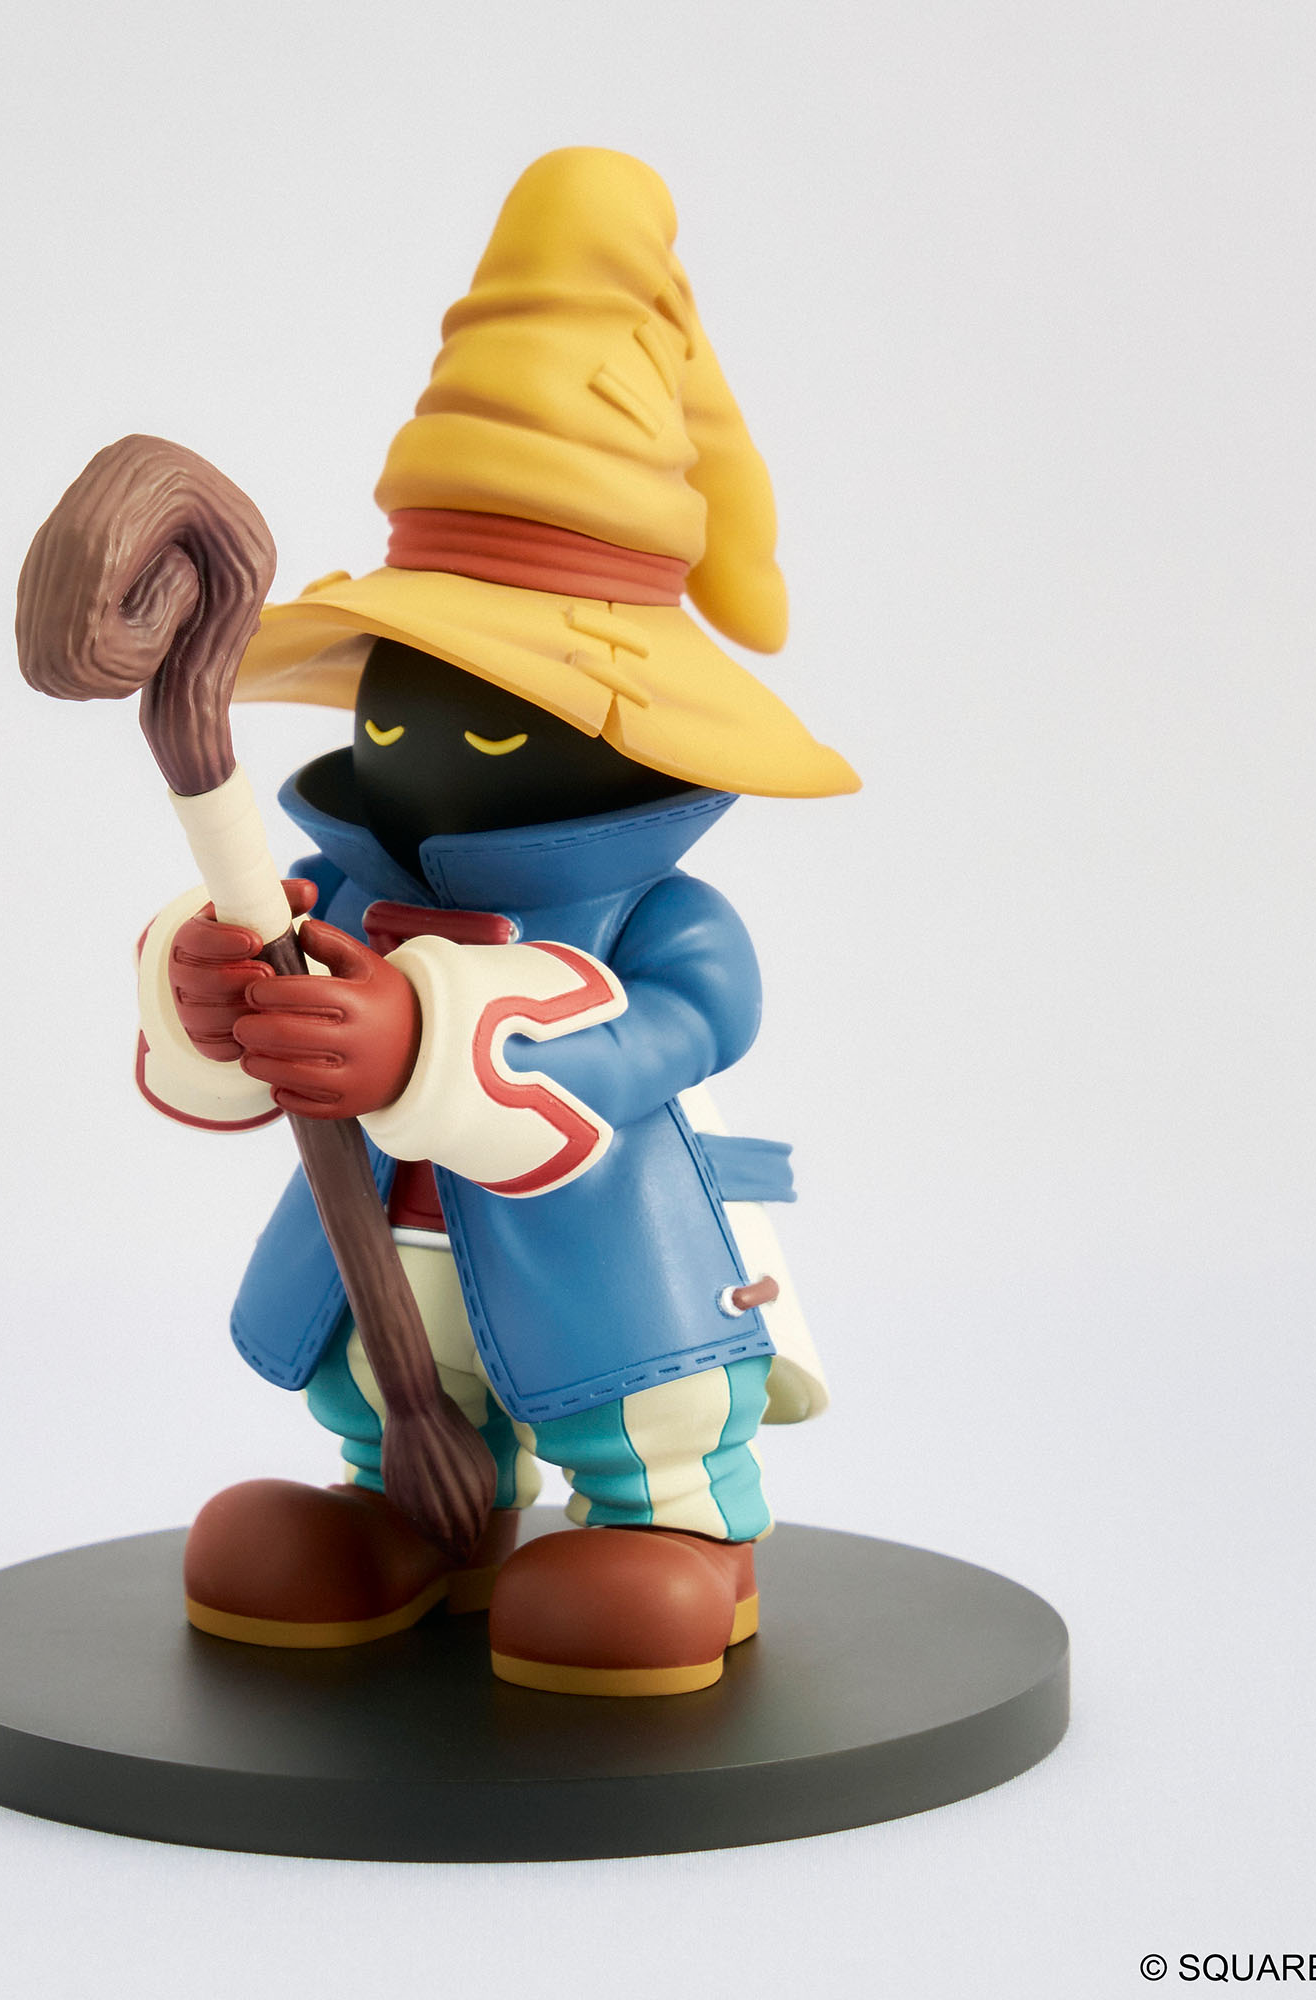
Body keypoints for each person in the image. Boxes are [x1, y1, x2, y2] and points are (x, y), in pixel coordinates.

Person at [133, 149, 857, 1696]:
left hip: (611, 1255)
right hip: (382, 1258)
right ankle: (409, 1516)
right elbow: (242, 1007)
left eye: (504, 721)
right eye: (399, 705)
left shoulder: (674, 920)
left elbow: (667, 1030)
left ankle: (679, 1537)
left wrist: (423, 1038)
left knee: (630, 1406)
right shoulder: (333, 884)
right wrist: (217, 989)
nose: (422, 748)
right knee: (383, 1385)